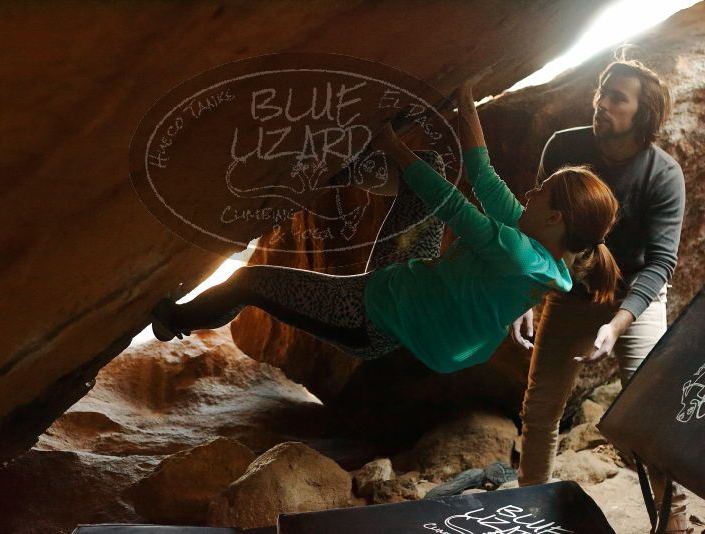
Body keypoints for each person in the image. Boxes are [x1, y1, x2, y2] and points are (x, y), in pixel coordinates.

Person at [151, 77, 620, 380]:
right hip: (405, 276)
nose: (532, 192)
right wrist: (466, 102)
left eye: (542, 192)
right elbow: (484, 177)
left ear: (555, 218)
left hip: (369, 318)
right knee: (433, 165)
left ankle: (174, 321)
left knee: (250, 282)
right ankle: (335, 166)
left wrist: (391, 144)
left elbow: (453, 204)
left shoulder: (519, 255)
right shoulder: (534, 237)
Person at [512, 59, 689, 532]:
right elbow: (538, 232)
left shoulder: (663, 175)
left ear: (643, 114)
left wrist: (616, 325)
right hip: (571, 292)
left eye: (617, 98)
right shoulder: (566, 147)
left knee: (648, 415)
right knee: (540, 408)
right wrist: (523, 298)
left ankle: (671, 520)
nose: (602, 103)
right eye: (602, 92)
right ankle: (530, 516)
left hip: (635, 298)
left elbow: (661, 264)